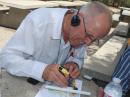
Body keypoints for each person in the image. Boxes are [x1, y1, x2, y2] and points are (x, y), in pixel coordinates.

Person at [0, 1, 112, 87]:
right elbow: (5, 58)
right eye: (89, 36)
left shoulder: (83, 35)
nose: (88, 43)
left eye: (94, 40)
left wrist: (74, 64)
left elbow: (79, 57)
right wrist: (42, 70)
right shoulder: (38, 21)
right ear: (76, 19)